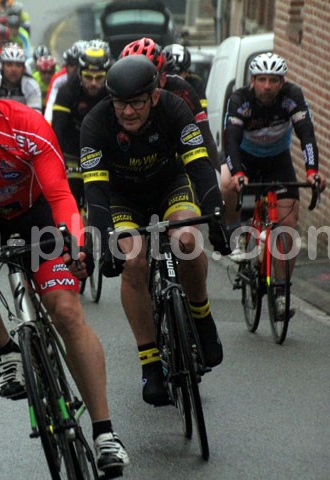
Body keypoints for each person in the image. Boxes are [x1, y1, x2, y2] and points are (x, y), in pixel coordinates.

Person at [0, 44, 130, 474]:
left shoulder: (27, 126)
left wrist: (76, 244)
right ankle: (6, 350)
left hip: (37, 215)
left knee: (67, 312)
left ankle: (105, 433)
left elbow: (61, 196)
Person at [80, 55, 229, 406]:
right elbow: (95, 193)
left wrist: (216, 215)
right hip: (122, 197)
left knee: (187, 240)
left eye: (136, 103)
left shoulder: (175, 108)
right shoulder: (96, 123)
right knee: (133, 261)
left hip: (169, 186)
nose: (128, 112)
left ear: (155, 96)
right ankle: (150, 365)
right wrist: (103, 243)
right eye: (120, 103)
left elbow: (200, 165)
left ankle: (201, 316)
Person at [221, 53, 327, 302]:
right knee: (226, 183)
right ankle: (237, 233)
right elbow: (231, 141)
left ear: (282, 82)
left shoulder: (292, 97)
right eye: (262, 79)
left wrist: (312, 171)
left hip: (278, 161)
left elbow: (307, 134)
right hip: (245, 159)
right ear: (252, 80)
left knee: (288, 227)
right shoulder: (240, 99)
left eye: (273, 80)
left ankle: (281, 291)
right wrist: (238, 174)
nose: (267, 86)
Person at [121, 38, 220, 174]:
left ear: (162, 79)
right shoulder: (113, 93)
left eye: (146, 80)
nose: (138, 88)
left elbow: (205, 137)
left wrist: (214, 175)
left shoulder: (182, 90)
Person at [51, 45, 111, 210]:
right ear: (79, 74)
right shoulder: (67, 90)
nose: (93, 83)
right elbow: (58, 129)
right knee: (72, 189)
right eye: (88, 77)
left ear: (107, 76)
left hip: (101, 148)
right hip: (73, 148)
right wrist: (58, 162)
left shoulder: (112, 91)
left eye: (99, 78)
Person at [43, 40, 86, 124]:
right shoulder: (58, 78)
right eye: (71, 65)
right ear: (65, 66)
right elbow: (50, 105)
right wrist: (47, 124)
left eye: (79, 65)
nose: (75, 69)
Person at [0, 42, 41, 111]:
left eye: (18, 65)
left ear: (24, 68)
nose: (14, 69)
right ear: (2, 66)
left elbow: (36, 114)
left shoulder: (31, 85)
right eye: (9, 64)